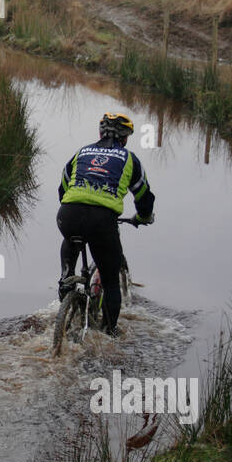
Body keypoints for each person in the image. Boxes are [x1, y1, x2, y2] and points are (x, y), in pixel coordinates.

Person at [56, 112, 155, 336]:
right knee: (110, 282)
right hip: (102, 222)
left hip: (68, 215)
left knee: (70, 244)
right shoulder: (129, 159)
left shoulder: (81, 152)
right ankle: (109, 334)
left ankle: (66, 282)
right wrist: (143, 218)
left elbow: (62, 188)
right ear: (126, 138)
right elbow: (144, 197)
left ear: (100, 133)